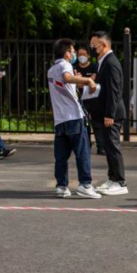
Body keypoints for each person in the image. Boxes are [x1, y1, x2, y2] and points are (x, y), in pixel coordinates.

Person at [47, 38, 100, 199]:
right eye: (72, 51)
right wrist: (88, 79)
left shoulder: (51, 70)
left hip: (60, 119)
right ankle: (85, 184)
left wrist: (78, 80)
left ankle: (61, 186)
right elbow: (68, 78)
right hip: (74, 116)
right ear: (66, 53)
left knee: (61, 156)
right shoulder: (65, 65)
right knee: (82, 153)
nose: (74, 54)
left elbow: (66, 84)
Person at [87, 31, 128, 195]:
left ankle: (120, 181)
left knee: (113, 146)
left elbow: (114, 91)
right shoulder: (103, 62)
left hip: (113, 114)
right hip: (106, 112)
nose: (92, 48)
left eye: (94, 45)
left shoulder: (111, 63)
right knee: (108, 147)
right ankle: (112, 178)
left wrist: (109, 114)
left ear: (103, 45)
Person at [75, 45, 100, 153]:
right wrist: (88, 81)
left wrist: (81, 80)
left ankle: (101, 146)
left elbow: (93, 81)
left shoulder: (94, 66)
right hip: (80, 99)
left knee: (96, 123)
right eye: (79, 54)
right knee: (84, 124)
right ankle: (86, 145)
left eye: (83, 55)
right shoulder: (74, 67)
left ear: (88, 56)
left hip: (93, 98)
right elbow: (77, 84)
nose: (81, 57)